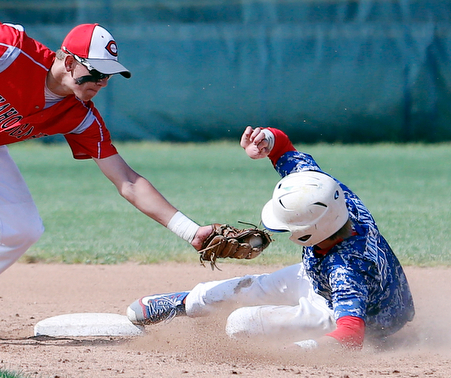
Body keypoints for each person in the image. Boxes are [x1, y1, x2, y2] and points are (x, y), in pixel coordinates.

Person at [0, 0, 214, 345]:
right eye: (95, 72)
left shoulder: (79, 115)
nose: (101, 83)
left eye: (109, 77)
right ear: (69, 60)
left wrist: (190, 231)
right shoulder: (11, 49)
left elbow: (128, 180)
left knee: (22, 228)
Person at [127, 126, 415, 350]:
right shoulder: (327, 193)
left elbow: (351, 334)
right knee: (254, 286)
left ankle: (382, 340)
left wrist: (297, 351)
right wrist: (264, 138)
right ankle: (185, 302)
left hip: (345, 313)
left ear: (309, 233)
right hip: (320, 276)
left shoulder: (346, 271)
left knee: (240, 325)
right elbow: (283, 145)